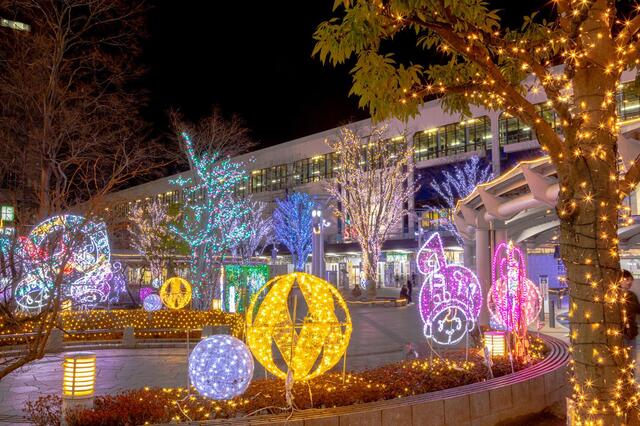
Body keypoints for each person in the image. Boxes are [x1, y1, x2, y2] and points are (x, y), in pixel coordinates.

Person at [621, 269, 640, 367]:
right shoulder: (614, 296)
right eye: (626, 279)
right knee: (622, 362)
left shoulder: (632, 296)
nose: (629, 282)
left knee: (631, 362)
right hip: (620, 333)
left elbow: (638, 310)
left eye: (631, 280)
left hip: (631, 333)